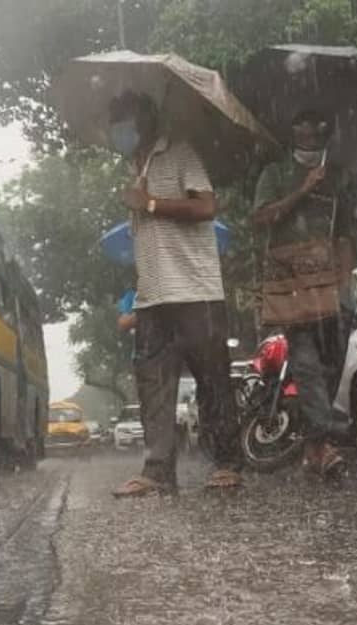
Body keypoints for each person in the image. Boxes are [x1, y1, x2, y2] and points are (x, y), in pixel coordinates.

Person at [105, 91, 241, 498]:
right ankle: (158, 470)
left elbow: (206, 207)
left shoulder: (181, 154)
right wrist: (141, 198)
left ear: (146, 119)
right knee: (153, 385)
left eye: (124, 120)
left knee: (212, 379)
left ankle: (227, 463)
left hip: (195, 290)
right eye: (116, 124)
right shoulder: (135, 167)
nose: (120, 130)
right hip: (151, 298)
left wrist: (148, 203)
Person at [251, 109, 356, 477]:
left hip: (330, 285)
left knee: (332, 361)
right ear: (293, 131)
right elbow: (262, 218)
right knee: (307, 362)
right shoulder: (274, 174)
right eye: (304, 127)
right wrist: (303, 189)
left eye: (318, 127)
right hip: (291, 285)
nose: (311, 133)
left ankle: (314, 447)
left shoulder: (336, 178)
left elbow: (344, 236)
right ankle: (326, 441)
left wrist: (344, 280)